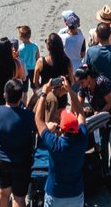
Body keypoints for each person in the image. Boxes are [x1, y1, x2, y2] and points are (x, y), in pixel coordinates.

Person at [33, 79, 86, 207]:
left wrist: (43, 94)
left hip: (55, 194)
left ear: (61, 129)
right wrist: (70, 90)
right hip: (76, 194)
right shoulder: (82, 138)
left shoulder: (54, 143)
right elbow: (80, 112)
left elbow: (38, 120)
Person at [0, 79, 36, 207]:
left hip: (2, 159)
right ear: (21, 97)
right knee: (19, 198)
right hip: (22, 161)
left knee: (3, 192)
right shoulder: (29, 116)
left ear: (4, 94)